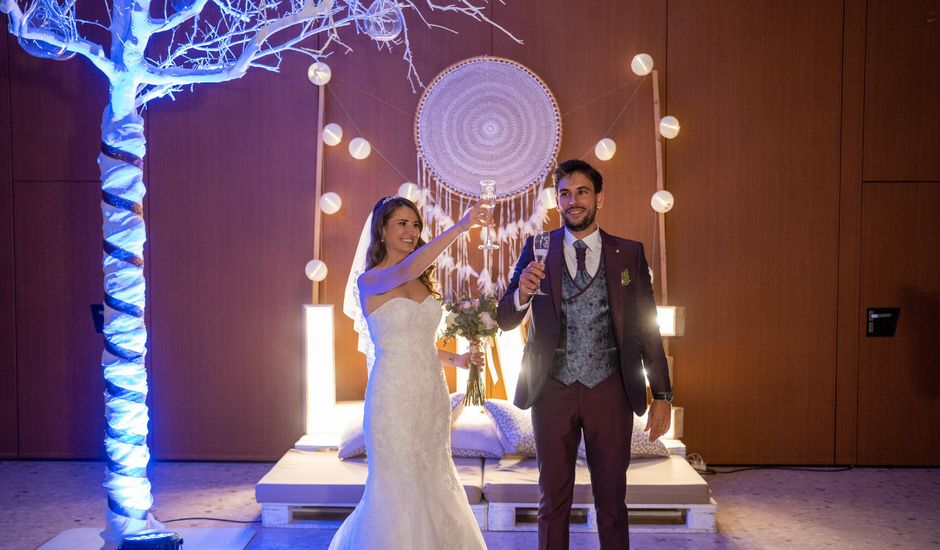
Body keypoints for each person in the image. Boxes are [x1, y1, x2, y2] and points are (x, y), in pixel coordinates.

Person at [495, 159, 672, 550]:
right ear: (556, 200)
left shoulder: (629, 253)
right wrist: (522, 292)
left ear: (599, 198)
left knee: (612, 500)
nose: (572, 201)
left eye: (582, 192)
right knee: (552, 500)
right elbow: (505, 318)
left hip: (610, 389)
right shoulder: (537, 248)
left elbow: (647, 326)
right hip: (551, 388)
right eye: (564, 193)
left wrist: (662, 395)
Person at [329, 195, 491, 550]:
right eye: (401, 223)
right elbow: (403, 272)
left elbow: (420, 343)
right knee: (396, 486)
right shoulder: (370, 281)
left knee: (433, 478)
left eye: (415, 224)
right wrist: (462, 226)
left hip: (430, 396)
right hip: (393, 397)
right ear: (382, 231)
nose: (411, 230)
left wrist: (458, 361)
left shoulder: (423, 282)